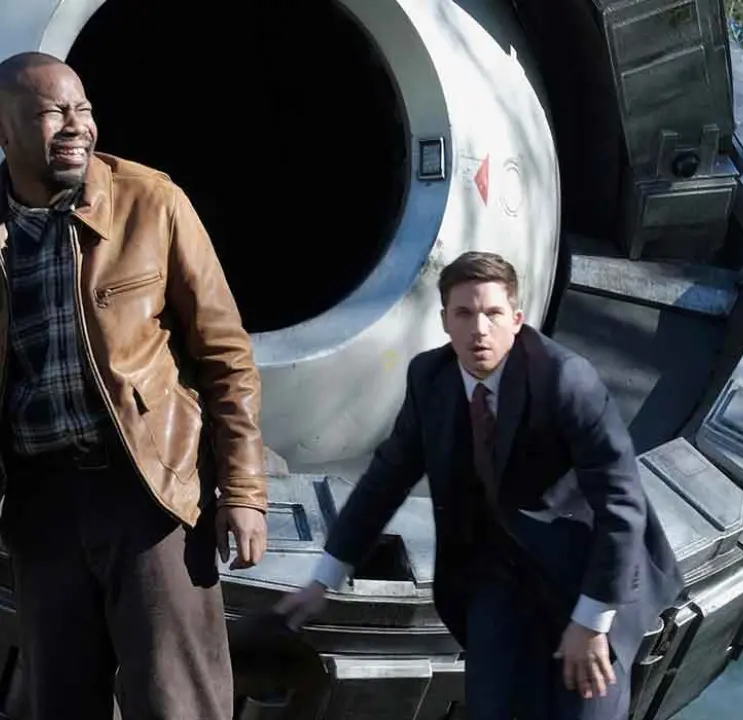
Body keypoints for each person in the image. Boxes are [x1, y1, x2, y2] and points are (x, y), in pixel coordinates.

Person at [275, 250, 683, 719]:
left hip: (585, 572)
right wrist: (324, 577)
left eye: (492, 313)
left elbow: (621, 506)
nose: (479, 330)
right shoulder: (430, 378)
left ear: (517, 319)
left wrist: (592, 623)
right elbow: (385, 479)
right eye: (464, 314)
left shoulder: (566, 381)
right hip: (495, 575)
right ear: (445, 321)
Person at [0, 51, 269, 719]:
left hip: (149, 494)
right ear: (4, 131)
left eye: (83, 109)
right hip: (40, 508)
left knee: (178, 705)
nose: (76, 126)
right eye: (53, 112)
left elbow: (225, 355)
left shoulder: (152, 202)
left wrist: (244, 491)